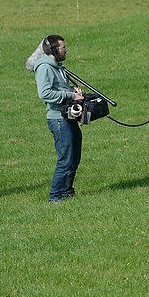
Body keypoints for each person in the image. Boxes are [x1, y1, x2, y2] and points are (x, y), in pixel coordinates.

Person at [33, 35, 85, 203]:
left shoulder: (58, 67)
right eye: (63, 47)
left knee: (74, 157)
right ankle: (55, 197)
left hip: (68, 117)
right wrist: (70, 95)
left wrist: (73, 91)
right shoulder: (45, 68)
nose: (66, 49)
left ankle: (67, 192)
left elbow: (59, 88)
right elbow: (44, 93)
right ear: (54, 50)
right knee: (66, 159)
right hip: (58, 119)